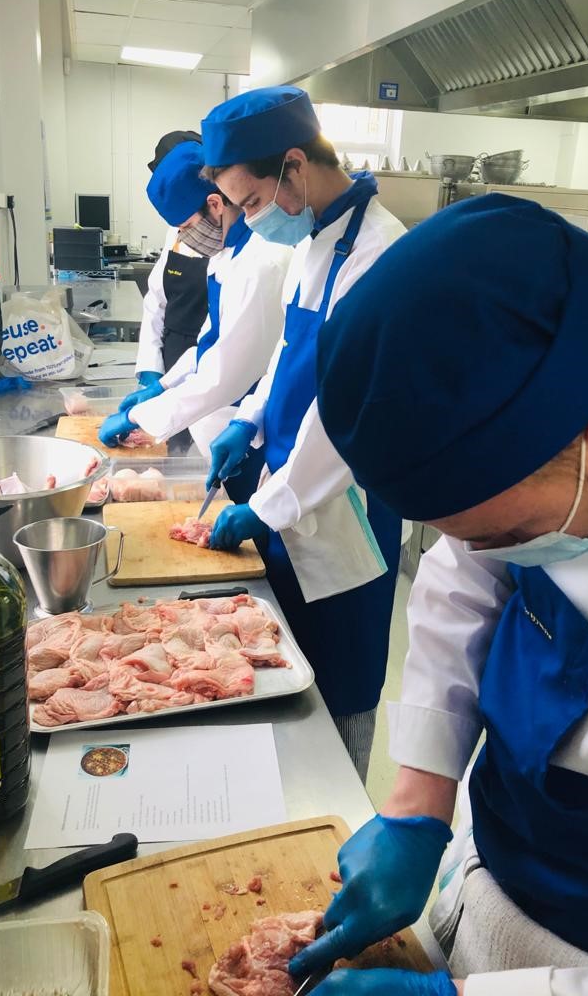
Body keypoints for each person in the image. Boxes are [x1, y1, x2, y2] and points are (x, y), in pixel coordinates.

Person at [288, 193, 588, 995]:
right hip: (491, 868)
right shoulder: (587, 337)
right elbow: (468, 566)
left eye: (510, 537)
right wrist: (421, 794)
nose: (490, 556)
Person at [197, 85, 406, 780]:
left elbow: (345, 421)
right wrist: (248, 422)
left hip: (344, 522)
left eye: (251, 202)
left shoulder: (378, 256)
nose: (250, 222)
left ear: (293, 165)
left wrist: (266, 505)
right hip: (288, 499)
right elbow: (289, 357)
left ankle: (333, 834)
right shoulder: (315, 243)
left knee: (338, 700)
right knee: (280, 682)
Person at [98, 139, 290, 503]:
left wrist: (141, 417)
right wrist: (162, 385)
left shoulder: (261, 262)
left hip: (258, 427)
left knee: (261, 532)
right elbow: (209, 343)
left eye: (185, 227)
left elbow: (224, 374)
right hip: (226, 419)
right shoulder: (226, 254)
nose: (183, 238)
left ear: (216, 203)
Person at [130, 130, 224, 455]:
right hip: (176, 359)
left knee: (203, 455)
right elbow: (156, 300)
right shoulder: (180, 223)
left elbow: (228, 345)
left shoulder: (219, 232)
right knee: (174, 456)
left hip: (211, 370)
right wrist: (151, 372)